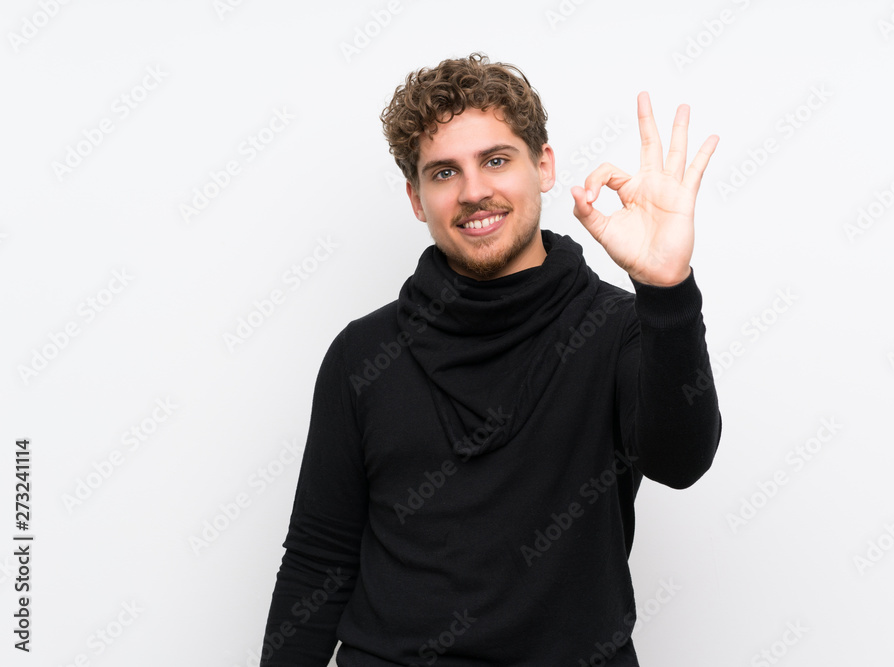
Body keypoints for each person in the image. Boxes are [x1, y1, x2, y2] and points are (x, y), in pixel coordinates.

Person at [259, 52, 722, 666]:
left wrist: (666, 291)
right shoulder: (363, 355)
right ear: (417, 198)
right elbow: (320, 556)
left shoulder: (619, 329)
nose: (474, 191)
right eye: (444, 172)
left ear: (544, 166)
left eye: (496, 160)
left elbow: (681, 462)